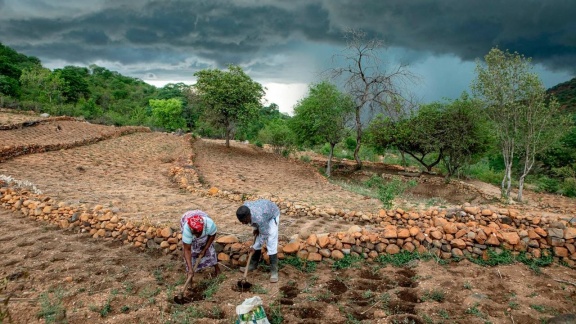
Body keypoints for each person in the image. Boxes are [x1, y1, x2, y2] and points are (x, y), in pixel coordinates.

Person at [236, 199, 280, 283]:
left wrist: (254, 247)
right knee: (257, 237)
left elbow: (265, 234)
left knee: (271, 241)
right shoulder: (245, 208)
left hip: (272, 214)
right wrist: (256, 228)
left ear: (248, 216)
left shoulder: (259, 218)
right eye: (241, 221)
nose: (243, 223)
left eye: (244, 221)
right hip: (262, 211)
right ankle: (253, 265)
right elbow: (256, 224)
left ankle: (274, 272)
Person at [180, 210, 220, 283]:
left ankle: (217, 270)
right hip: (187, 218)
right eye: (194, 233)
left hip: (203, 223)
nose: (196, 236)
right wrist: (190, 269)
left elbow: (212, 236)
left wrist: (204, 249)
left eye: (198, 234)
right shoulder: (187, 229)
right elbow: (187, 250)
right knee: (193, 251)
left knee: (210, 249)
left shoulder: (209, 224)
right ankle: (190, 278)